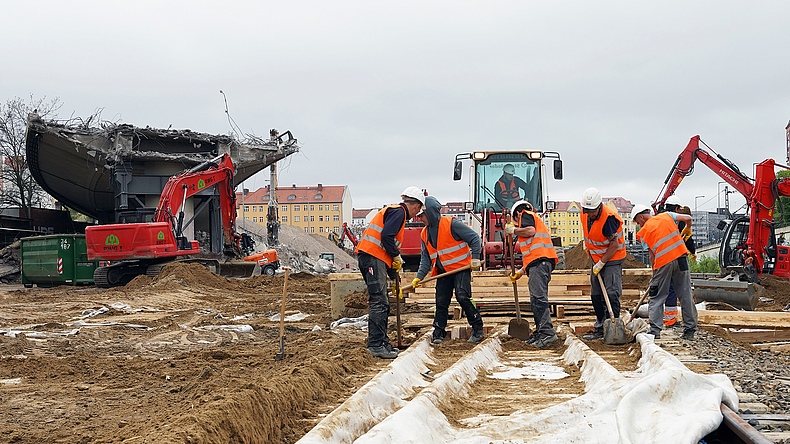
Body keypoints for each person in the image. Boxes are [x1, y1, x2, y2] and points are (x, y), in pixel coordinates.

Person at [355, 186, 425, 358]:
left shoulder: (394, 212)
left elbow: (385, 240)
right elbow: (386, 237)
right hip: (372, 257)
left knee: (382, 301)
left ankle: (382, 342)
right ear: (415, 205)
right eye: (418, 209)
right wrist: (396, 256)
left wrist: (393, 274)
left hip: (374, 257)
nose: (417, 213)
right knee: (379, 301)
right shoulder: (399, 212)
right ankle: (376, 345)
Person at [411, 196, 485, 344]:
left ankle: (477, 327)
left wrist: (475, 258)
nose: (420, 218)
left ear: (430, 212)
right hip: (443, 272)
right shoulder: (424, 233)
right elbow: (426, 259)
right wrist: (419, 277)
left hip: (460, 268)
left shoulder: (452, 224)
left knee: (462, 295)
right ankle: (439, 332)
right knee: (441, 301)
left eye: (422, 215)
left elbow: (475, 238)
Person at [632, 204, 698, 340]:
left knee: (656, 297)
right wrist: (688, 229)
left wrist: (654, 273)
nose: (639, 225)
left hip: (663, 262)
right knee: (685, 295)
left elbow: (652, 255)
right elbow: (688, 218)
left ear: (641, 217)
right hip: (681, 258)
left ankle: (655, 330)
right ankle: (690, 331)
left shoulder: (643, 232)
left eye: (638, 222)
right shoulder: (667, 215)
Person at [506, 200, 559, 347]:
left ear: (517, 213)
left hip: (540, 263)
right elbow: (532, 253)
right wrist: (521, 271)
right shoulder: (531, 218)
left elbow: (530, 231)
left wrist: (514, 231)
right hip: (538, 263)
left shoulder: (525, 215)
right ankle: (541, 331)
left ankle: (547, 333)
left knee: (538, 298)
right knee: (536, 299)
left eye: (514, 222)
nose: (516, 225)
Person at [579, 187, 626, 341]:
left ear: (599, 206)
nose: (589, 213)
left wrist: (602, 262)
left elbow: (614, 245)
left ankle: (613, 328)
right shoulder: (584, 213)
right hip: (595, 258)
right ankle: (600, 327)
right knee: (596, 294)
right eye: (586, 210)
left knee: (611, 293)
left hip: (612, 258)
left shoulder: (609, 219)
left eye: (591, 210)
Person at [659, 195, 696, 327]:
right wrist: (693, 251)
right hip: (678, 258)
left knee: (660, 289)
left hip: (661, 259)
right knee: (681, 290)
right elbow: (688, 240)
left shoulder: (658, 220)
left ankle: (656, 320)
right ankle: (676, 322)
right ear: (677, 208)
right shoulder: (680, 222)